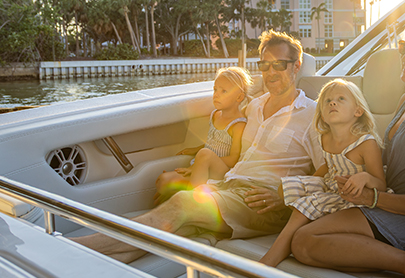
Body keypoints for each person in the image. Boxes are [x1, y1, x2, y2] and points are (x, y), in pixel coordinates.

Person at [71, 30, 323, 263]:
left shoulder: (312, 115)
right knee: (175, 229)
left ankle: (71, 247)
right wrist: (197, 167)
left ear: (296, 66)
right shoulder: (255, 107)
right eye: (264, 65)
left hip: (263, 203)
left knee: (183, 202)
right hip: (230, 186)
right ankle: (81, 263)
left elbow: (327, 173)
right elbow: (231, 144)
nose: (270, 72)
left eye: (279, 64)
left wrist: (284, 196)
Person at [289, 16, 405, 278]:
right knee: (305, 235)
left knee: (305, 241)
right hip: (387, 205)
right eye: (404, 47)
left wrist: (372, 198)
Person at [259, 79, 386, 267]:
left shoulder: (366, 143)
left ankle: (268, 261)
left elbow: (381, 184)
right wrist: (308, 184)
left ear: (358, 111)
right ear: (323, 115)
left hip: (353, 196)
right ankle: (307, 217)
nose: (332, 103)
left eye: (341, 99)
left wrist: (364, 177)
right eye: (327, 101)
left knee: (303, 208)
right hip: (330, 185)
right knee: (287, 188)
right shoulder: (326, 138)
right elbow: (328, 166)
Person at [154, 67, 251, 205]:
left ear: (239, 97)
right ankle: (183, 191)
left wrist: (196, 165)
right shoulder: (216, 114)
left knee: (203, 154)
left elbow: (234, 158)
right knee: (162, 181)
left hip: (220, 172)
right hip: (203, 165)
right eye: (215, 89)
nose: (216, 95)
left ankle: (189, 202)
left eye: (224, 91)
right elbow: (214, 142)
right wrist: (195, 150)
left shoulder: (238, 125)